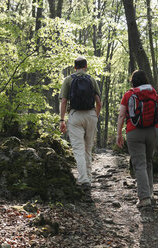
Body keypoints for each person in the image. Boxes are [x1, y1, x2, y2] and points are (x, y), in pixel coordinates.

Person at [116, 70, 158, 207]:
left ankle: (144, 198)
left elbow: (121, 116)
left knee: (139, 164)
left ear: (133, 82)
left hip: (134, 132)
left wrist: (119, 134)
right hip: (153, 130)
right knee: (148, 161)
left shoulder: (129, 95)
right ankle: (150, 193)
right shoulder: (154, 93)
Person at [59, 56, 102, 190]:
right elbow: (99, 103)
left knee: (78, 149)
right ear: (86, 66)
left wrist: (62, 120)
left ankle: (84, 180)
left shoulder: (68, 79)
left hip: (75, 115)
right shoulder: (91, 80)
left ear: (74, 67)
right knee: (88, 149)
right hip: (91, 115)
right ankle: (88, 177)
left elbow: (64, 101)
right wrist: (95, 115)